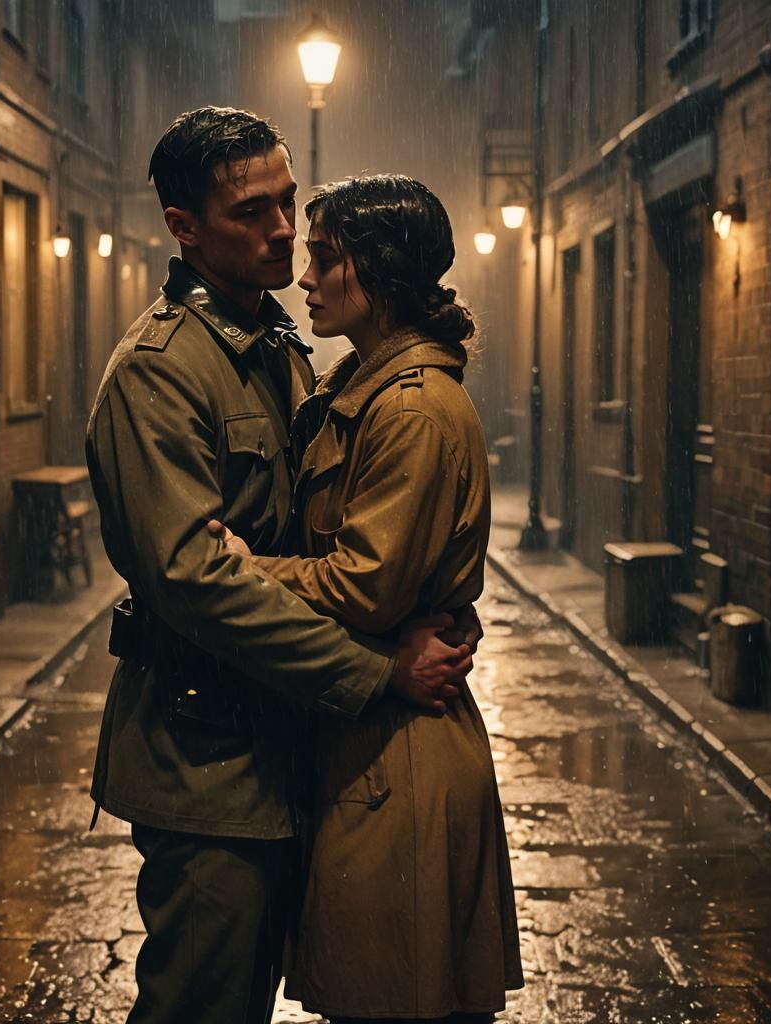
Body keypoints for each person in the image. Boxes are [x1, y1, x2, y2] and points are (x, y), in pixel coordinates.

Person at [85, 109, 474, 1024]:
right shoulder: (160, 371)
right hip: (206, 760)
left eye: (288, 202)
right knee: (202, 1004)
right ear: (184, 226)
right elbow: (197, 584)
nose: (283, 230)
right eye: (251, 212)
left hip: (284, 747)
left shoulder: (279, 347)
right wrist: (379, 671)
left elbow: (327, 535)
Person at [212, 174, 524, 1022]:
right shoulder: (366, 389)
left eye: (324, 259)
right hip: (374, 746)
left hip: (403, 763)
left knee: (394, 1001)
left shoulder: (410, 410)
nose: (305, 278)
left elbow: (364, 583)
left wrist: (246, 567)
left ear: (379, 274)